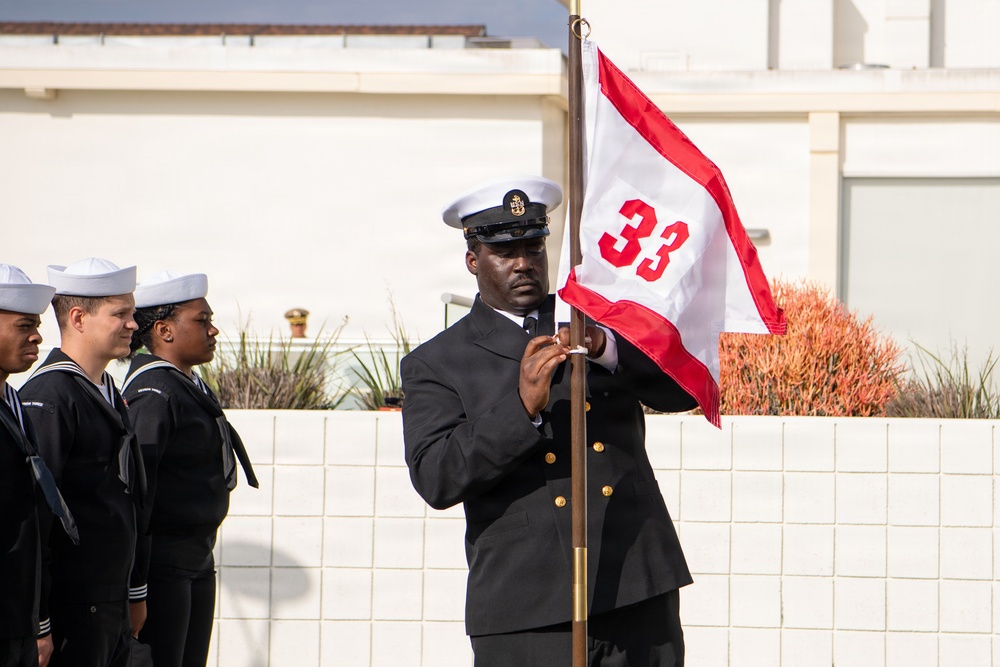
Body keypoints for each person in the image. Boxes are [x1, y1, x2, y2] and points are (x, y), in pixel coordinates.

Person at [401, 176, 698, 666]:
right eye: (504, 251)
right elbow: (437, 477)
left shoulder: (595, 320)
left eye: (533, 247)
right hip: (528, 603)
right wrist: (521, 410)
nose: (523, 263)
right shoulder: (438, 361)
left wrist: (607, 350)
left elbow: (683, 389)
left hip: (635, 583)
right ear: (473, 260)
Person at [121, 270, 257, 667]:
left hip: (196, 558)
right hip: (164, 566)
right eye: (202, 321)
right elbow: (137, 494)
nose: (213, 330)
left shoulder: (185, 384)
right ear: (163, 330)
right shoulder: (153, 392)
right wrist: (136, 589)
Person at [19, 258, 146, 667]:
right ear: (78, 317)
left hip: (107, 600)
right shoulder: (52, 394)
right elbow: (37, 516)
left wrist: (132, 592)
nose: (133, 324)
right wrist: (39, 622)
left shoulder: (106, 389)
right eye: (120, 314)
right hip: (73, 606)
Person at [0, 264, 79, 667]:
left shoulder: (13, 406)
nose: (38, 335)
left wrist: (37, 624)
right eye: (23, 325)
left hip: (17, 622)